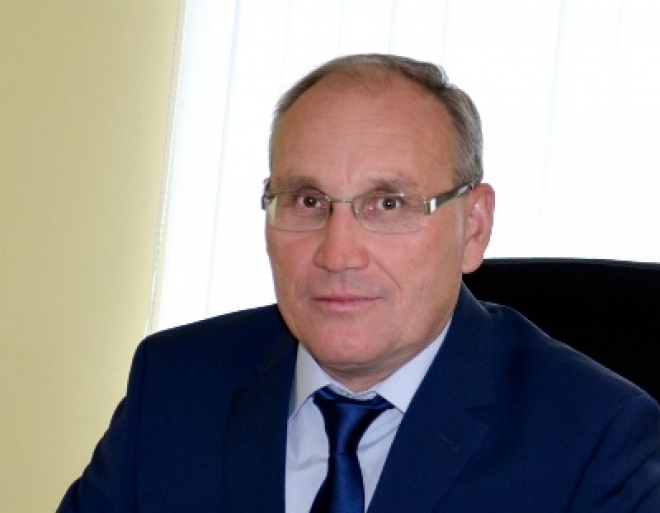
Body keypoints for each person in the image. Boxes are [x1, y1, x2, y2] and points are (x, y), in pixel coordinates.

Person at [58, 54, 660, 512]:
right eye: (308, 200)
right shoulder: (174, 385)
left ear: (473, 227)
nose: (337, 254)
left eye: (388, 204)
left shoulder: (596, 438)